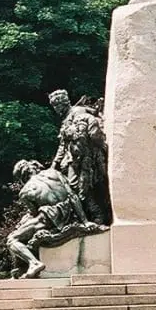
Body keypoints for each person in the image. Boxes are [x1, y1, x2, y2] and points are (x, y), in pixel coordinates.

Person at [7, 160, 105, 279]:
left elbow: (34, 213)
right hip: (70, 211)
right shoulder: (54, 173)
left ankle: (34, 263)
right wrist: (84, 221)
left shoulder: (25, 192)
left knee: (12, 239)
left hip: (48, 218)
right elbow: (72, 195)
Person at [49, 89, 111, 225]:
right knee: (75, 186)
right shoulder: (66, 119)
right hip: (73, 159)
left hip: (86, 157)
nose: (55, 108)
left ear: (63, 103)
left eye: (56, 105)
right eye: (53, 106)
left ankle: (98, 215)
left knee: (82, 186)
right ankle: (92, 215)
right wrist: (55, 164)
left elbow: (86, 135)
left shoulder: (77, 112)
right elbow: (63, 145)